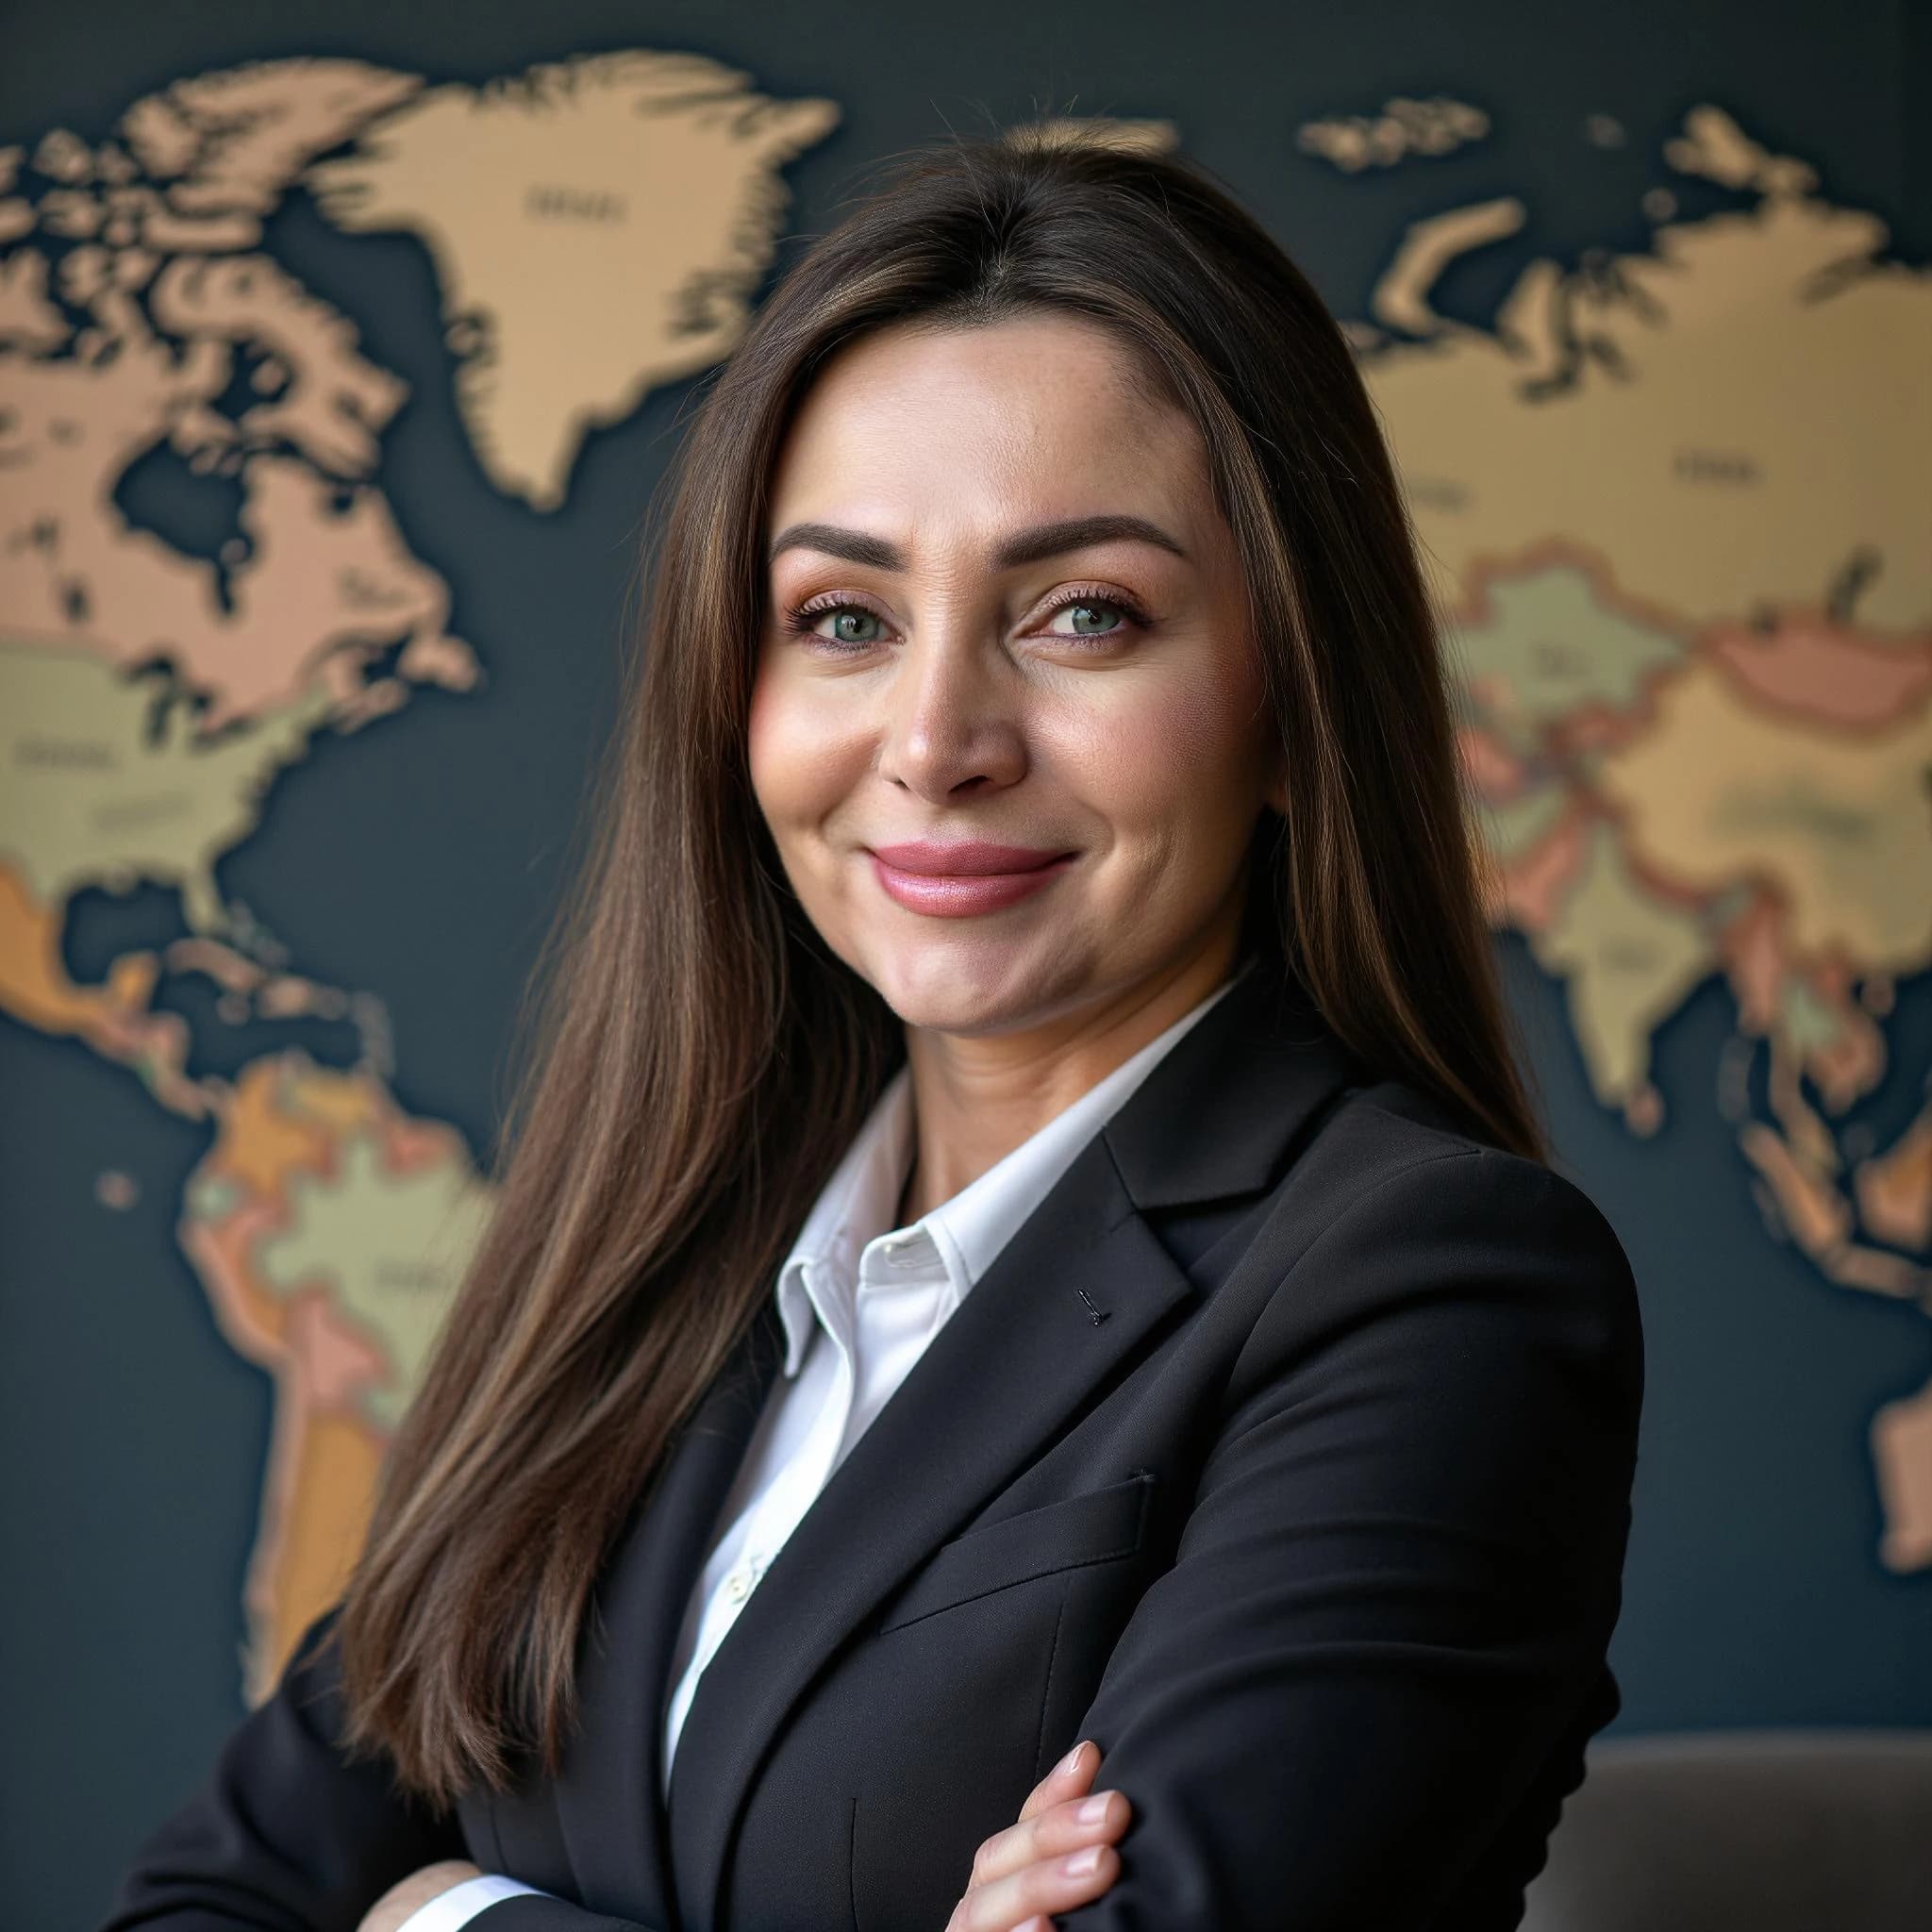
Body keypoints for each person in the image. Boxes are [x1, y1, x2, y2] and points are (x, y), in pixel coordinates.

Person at [100, 125, 1644, 1932]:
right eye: (843, 618)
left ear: (1295, 706)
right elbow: (199, 1910)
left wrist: (437, 1916)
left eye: (1084, 615)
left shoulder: (1435, 1291)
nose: (934, 742)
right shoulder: (645, 1263)